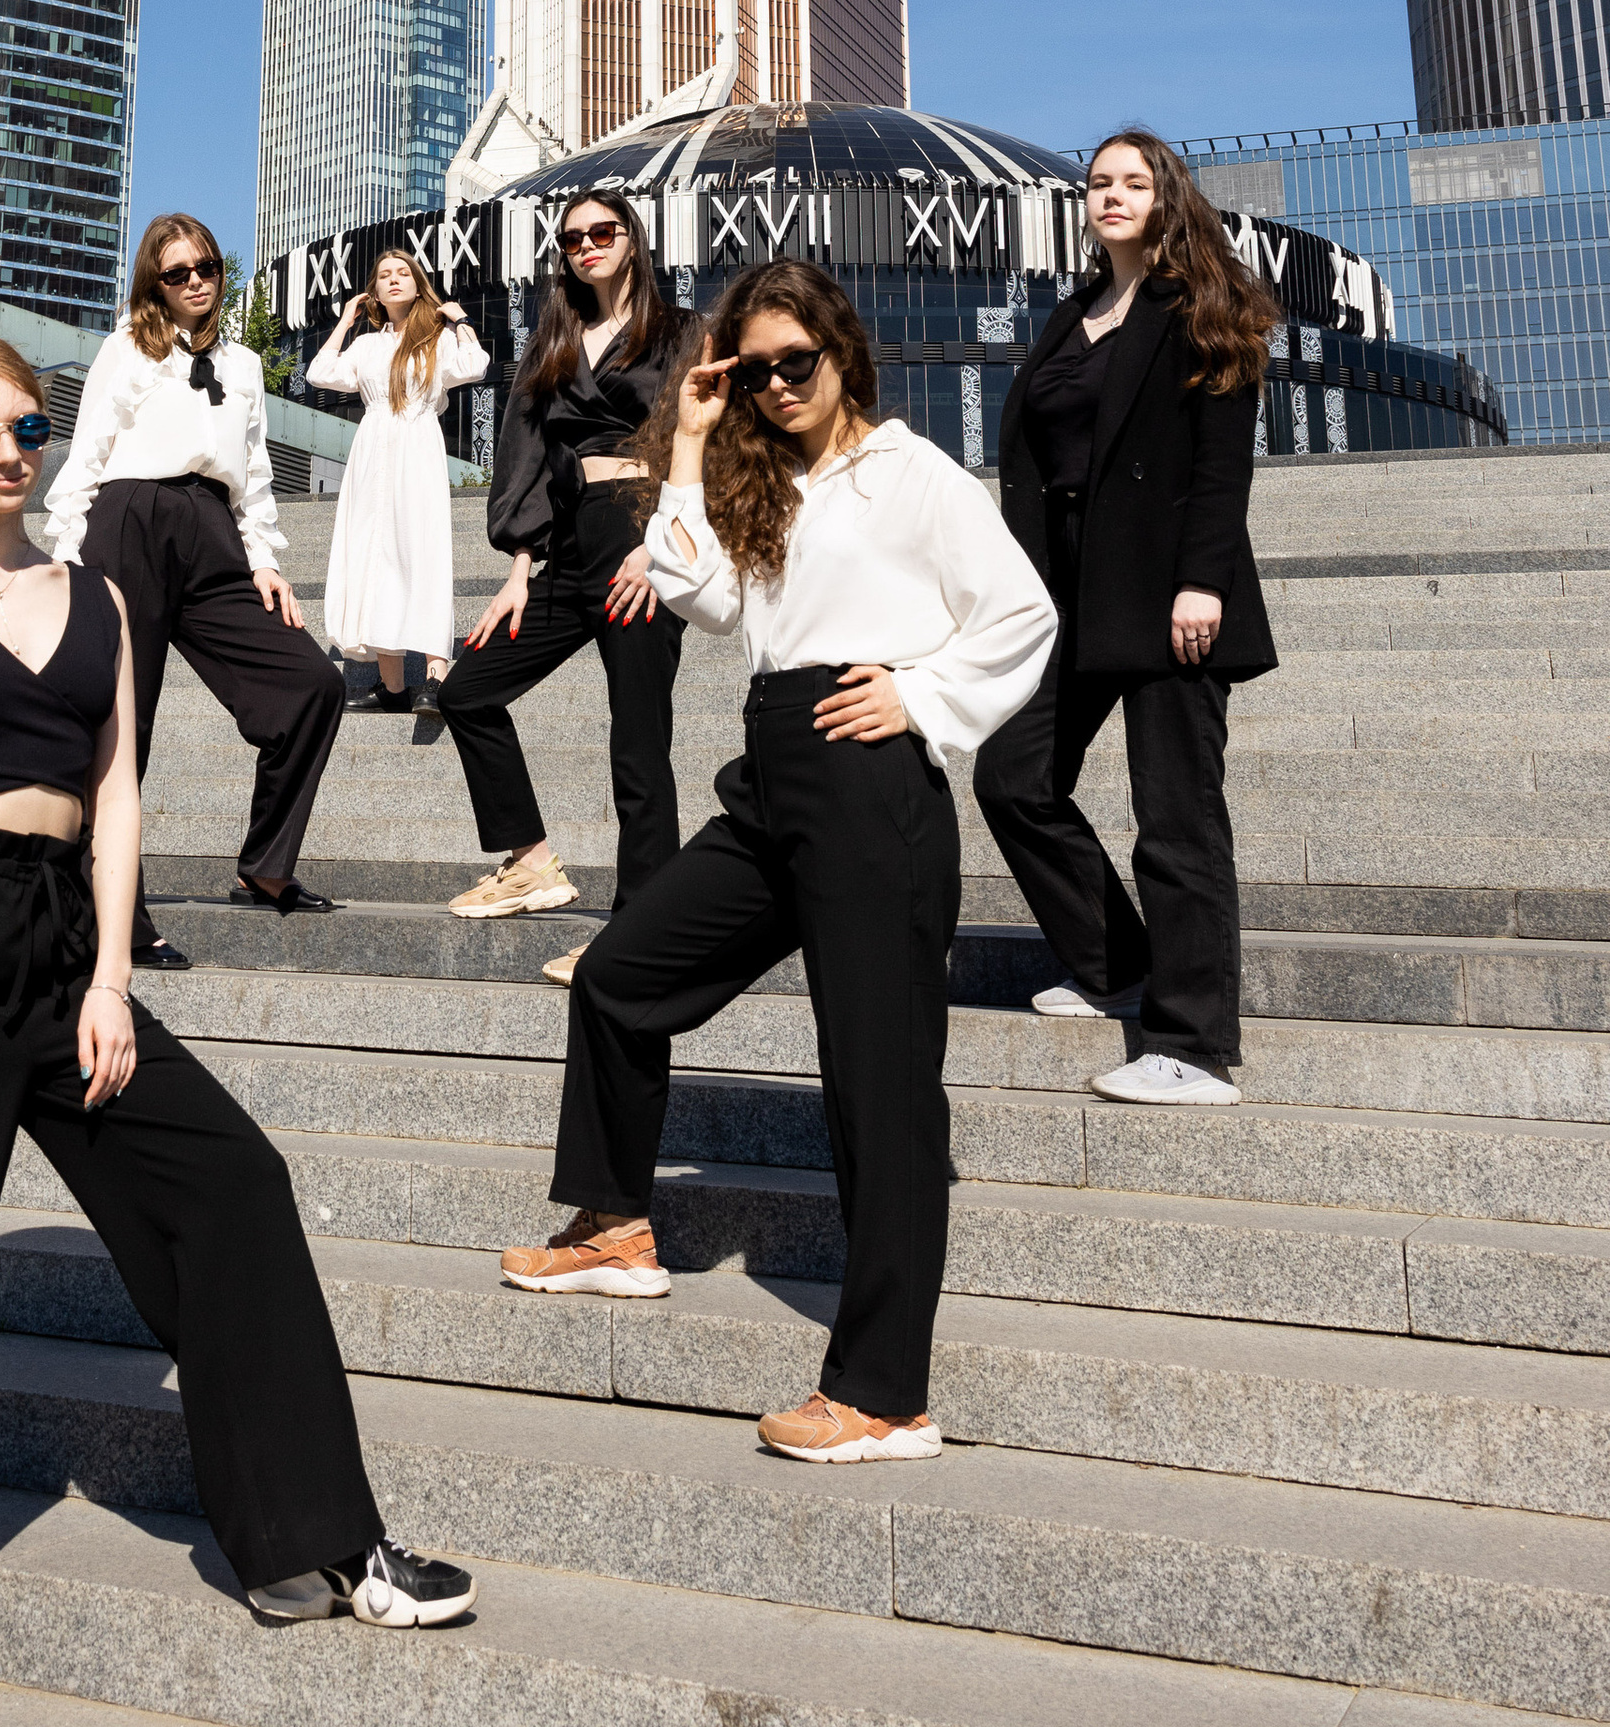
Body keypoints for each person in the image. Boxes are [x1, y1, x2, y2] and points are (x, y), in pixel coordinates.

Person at [0, 329, 476, 1727]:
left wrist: (107, 979)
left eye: (27, 428)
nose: (9, 454)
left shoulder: (92, 591)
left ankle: (318, 1542)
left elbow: (118, 796)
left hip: (58, 946)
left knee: (230, 1183)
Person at [499, 265, 1054, 1460]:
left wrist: (922, 699)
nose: (777, 385)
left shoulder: (913, 475)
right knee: (619, 976)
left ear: (841, 351)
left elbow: (1023, 614)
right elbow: (695, 591)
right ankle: (615, 1228)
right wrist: (691, 441)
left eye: (795, 361)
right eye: (754, 371)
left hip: (869, 786)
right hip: (772, 775)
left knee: (879, 1092)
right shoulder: (761, 483)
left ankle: (884, 1396)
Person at [979, 127, 1278, 1110]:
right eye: (1099, 182)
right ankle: (1115, 965)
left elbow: (1220, 463)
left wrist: (1202, 582)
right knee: (1013, 777)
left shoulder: (1202, 304)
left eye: (1133, 182)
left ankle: (1193, 1045)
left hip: (1165, 590)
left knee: (1175, 819)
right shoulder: (1073, 315)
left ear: (1165, 198)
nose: (1111, 194)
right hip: (1063, 592)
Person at [44, 213, 345, 966]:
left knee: (312, 684)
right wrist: (66, 556)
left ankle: (266, 865)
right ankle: (115, 912)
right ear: (155, 283)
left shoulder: (242, 365)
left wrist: (264, 560)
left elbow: (256, 474)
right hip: (129, 522)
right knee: (125, 725)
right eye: (177, 273)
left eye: (206, 267)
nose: (196, 282)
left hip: (213, 530)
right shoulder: (126, 348)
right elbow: (87, 454)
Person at [435, 185, 689, 982]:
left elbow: (706, 440)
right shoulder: (554, 342)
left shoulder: (682, 332)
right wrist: (520, 569)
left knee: (638, 744)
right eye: (574, 239)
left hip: (644, 535)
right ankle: (531, 861)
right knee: (466, 689)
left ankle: (639, 933)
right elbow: (529, 457)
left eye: (602, 232)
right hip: (572, 545)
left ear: (632, 239)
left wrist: (661, 546)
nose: (588, 247)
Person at [305, 249, 488, 706]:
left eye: (403, 273)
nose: (393, 279)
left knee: (421, 554)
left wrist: (460, 320)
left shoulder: (437, 340)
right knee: (375, 557)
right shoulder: (366, 345)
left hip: (417, 448)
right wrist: (345, 321)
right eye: (384, 275)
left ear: (417, 284)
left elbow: (474, 366)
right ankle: (392, 688)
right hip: (372, 453)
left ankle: (435, 679)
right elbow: (319, 373)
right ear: (375, 292)